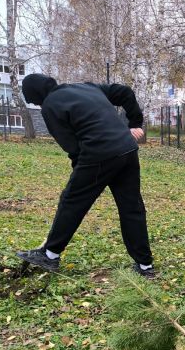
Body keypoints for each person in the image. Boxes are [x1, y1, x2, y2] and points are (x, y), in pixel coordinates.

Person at [17, 74, 155, 279]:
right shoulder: (87, 87)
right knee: (131, 207)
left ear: (38, 95)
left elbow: (72, 147)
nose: (38, 105)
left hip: (99, 153)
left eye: (35, 101)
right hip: (127, 149)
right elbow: (125, 92)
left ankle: (50, 254)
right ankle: (145, 266)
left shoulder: (50, 106)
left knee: (72, 201)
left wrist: (79, 178)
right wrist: (134, 123)